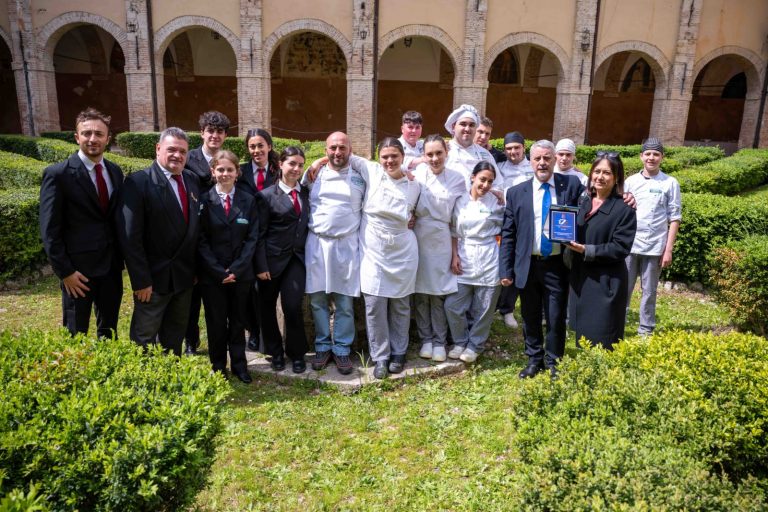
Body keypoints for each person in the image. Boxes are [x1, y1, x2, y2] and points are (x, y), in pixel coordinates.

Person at [499, 140, 584, 379]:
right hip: (528, 264)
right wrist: (506, 270)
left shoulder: (571, 184)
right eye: (537, 158)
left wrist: (625, 195)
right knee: (530, 315)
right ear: (531, 161)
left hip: (557, 264)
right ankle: (534, 359)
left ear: (555, 159)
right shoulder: (516, 193)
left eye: (547, 158)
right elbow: (508, 234)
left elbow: (593, 202)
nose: (542, 163)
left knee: (556, 315)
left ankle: (554, 361)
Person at [39, 107, 124, 339]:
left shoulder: (115, 172)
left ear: (108, 138)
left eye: (98, 134)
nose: (92, 139)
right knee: (76, 334)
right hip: (78, 273)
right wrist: (65, 272)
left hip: (110, 269)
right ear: (77, 137)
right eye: (86, 133)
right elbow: (49, 231)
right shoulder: (58, 175)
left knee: (109, 331)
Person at [118, 128, 201, 356]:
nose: (177, 155)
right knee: (143, 339)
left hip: (183, 278)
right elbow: (130, 238)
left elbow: (194, 229)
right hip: (152, 281)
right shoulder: (138, 182)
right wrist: (140, 280)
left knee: (174, 337)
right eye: (171, 149)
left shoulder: (192, 180)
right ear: (158, 149)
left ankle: (170, 383)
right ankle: (143, 386)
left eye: (182, 151)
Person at [350, 138, 421, 379]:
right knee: (374, 306)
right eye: (385, 156)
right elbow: (343, 153)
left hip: (402, 250)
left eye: (394, 156)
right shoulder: (371, 171)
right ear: (378, 158)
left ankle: (399, 353)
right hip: (373, 251)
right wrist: (317, 164)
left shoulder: (415, 185)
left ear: (403, 157)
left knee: (401, 305)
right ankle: (380, 356)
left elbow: (419, 214)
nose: (389, 161)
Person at [302, 132, 365, 375]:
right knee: (317, 300)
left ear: (350, 150)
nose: (337, 152)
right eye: (332, 148)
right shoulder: (313, 175)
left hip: (347, 245)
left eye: (342, 148)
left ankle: (341, 349)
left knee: (344, 301)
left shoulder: (361, 177)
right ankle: (322, 346)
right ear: (325, 150)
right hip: (317, 243)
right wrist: (314, 163)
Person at [197, 150, 258, 383]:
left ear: (237, 172)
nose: (225, 174)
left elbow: (252, 238)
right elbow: (200, 239)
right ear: (213, 172)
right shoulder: (203, 200)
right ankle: (218, 365)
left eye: (229, 170)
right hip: (213, 276)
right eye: (220, 169)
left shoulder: (248, 200)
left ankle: (240, 365)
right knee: (215, 322)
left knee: (238, 321)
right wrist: (217, 271)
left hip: (241, 275)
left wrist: (237, 269)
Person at [567, 153, 637, 350]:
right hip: (582, 277)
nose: (600, 177)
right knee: (583, 335)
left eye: (607, 173)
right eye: (596, 171)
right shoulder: (584, 202)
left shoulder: (624, 208)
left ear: (616, 178)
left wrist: (587, 249)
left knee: (603, 336)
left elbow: (621, 247)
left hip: (606, 281)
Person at [255, 147, 310, 374]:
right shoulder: (266, 196)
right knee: (267, 308)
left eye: (300, 164)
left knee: (292, 306)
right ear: (280, 165)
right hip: (270, 262)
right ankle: (275, 352)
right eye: (292, 164)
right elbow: (258, 233)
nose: (296, 169)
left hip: (296, 260)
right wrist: (260, 265)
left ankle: (297, 353)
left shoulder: (307, 193)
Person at [444, 161, 505, 363]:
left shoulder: (496, 202)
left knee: (484, 308)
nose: (486, 185)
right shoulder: (459, 200)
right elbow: (453, 230)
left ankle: (475, 345)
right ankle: (460, 341)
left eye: (490, 181)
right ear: (472, 177)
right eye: (482, 179)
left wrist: (506, 200)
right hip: (464, 255)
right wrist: (454, 255)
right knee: (453, 306)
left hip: (489, 257)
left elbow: (509, 228)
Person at [412, 135, 466, 362]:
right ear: (423, 155)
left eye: (438, 153)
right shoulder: (416, 176)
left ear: (447, 152)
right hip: (417, 238)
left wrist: (455, 254)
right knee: (421, 294)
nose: (434, 159)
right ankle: (425, 339)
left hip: (442, 240)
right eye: (429, 154)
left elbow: (457, 219)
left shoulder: (457, 179)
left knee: (439, 295)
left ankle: (439, 341)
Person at [183, 111, 230, 355]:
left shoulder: (227, 159)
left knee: (215, 290)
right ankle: (191, 339)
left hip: (218, 236)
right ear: (202, 132)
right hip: (192, 232)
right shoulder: (187, 158)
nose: (214, 135)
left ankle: (220, 338)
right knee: (192, 292)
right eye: (210, 131)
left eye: (219, 131)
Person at [624, 138, 681, 336]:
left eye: (656, 154)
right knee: (624, 288)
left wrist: (668, 249)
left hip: (655, 246)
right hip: (630, 245)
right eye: (647, 154)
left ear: (662, 157)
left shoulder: (670, 183)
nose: (651, 157)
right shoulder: (630, 182)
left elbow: (674, 218)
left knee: (649, 291)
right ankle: (617, 324)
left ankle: (645, 329)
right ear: (641, 156)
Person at [239, 128, 280, 352]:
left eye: (260, 145)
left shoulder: (279, 171)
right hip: (245, 237)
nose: (256, 150)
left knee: (261, 289)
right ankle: (252, 331)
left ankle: (266, 334)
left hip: (270, 238)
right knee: (246, 290)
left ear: (269, 146)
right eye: (252, 146)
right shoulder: (240, 172)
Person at [495, 130, 533, 329]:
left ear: (523, 148)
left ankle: (507, 309)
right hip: (501, 221)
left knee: (517, 266)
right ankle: (494, 305)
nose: (513, 152)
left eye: (516, 148)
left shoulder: (532, 167)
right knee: (501, 264)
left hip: (524, 224)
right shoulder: (499, 167)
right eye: (509, 149)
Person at [444, 104, 501, 191]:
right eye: (463, 124)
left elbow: (498, 183)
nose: (467, 129)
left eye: (471, 125)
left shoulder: (485, 154)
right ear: (453, 127)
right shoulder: (443, 151)